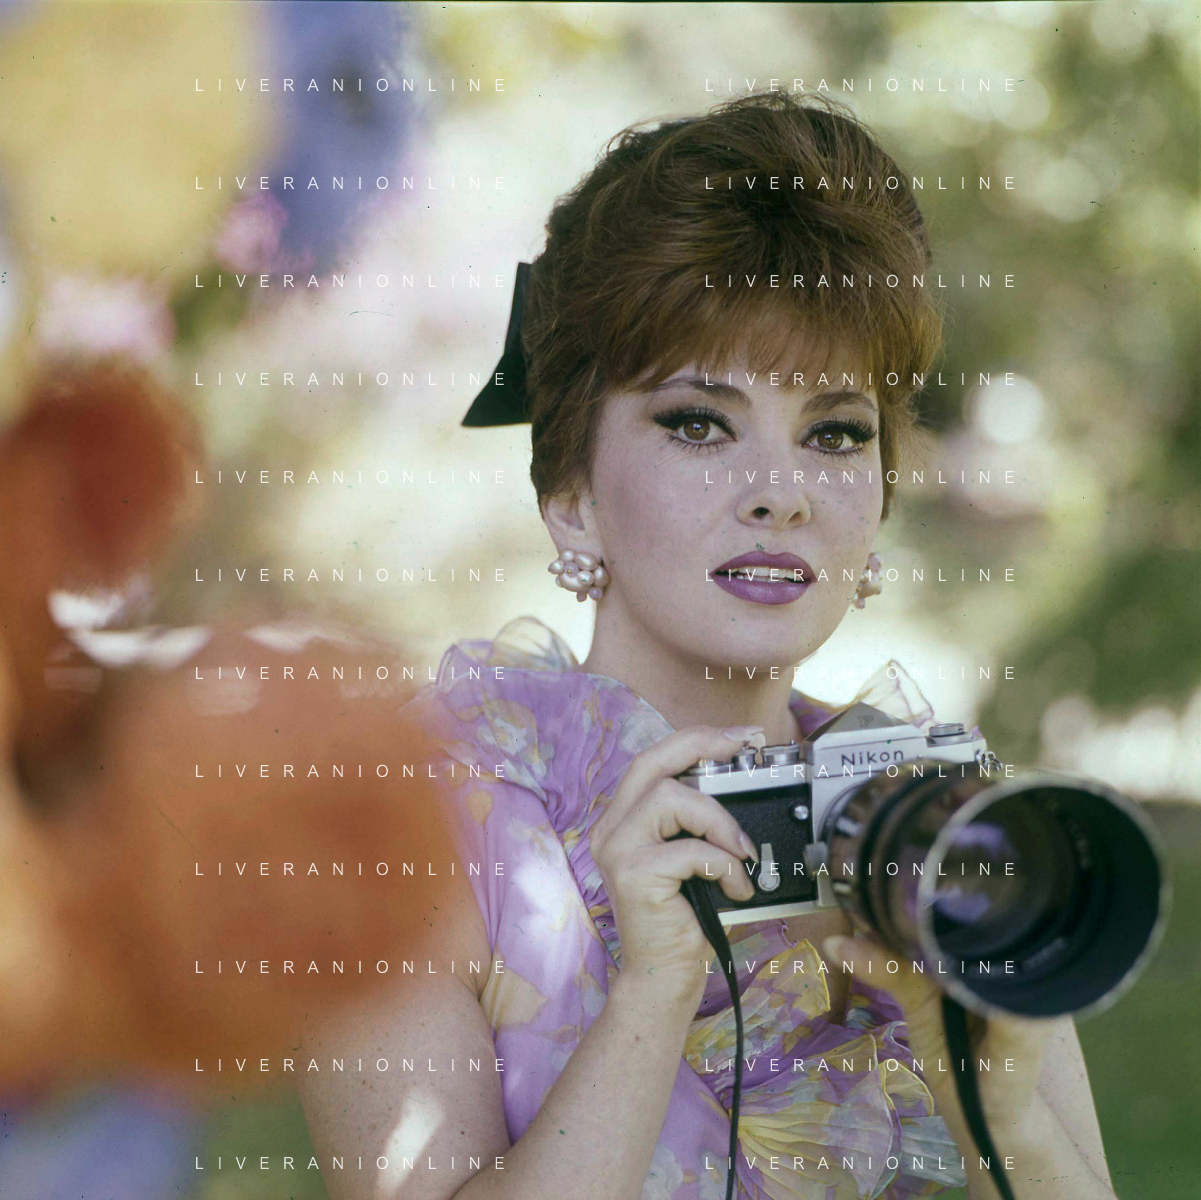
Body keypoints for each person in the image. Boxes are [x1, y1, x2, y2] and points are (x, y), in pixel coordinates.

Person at [297, 92, 1116, 1200]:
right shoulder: (400, 837)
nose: (780, 493)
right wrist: (651, 993)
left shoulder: (934, 828)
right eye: (698, 422)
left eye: (834, 432)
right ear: (571, 493)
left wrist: (993, 1102)